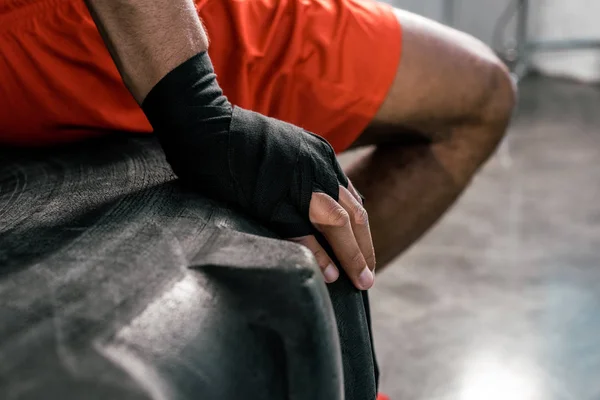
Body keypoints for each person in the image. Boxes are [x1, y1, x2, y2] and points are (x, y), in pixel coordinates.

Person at [0, 0, 516, 292]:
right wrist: (198, 111)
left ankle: (298, 342)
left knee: (483, 91)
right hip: (74, 22)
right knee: (476, 97)